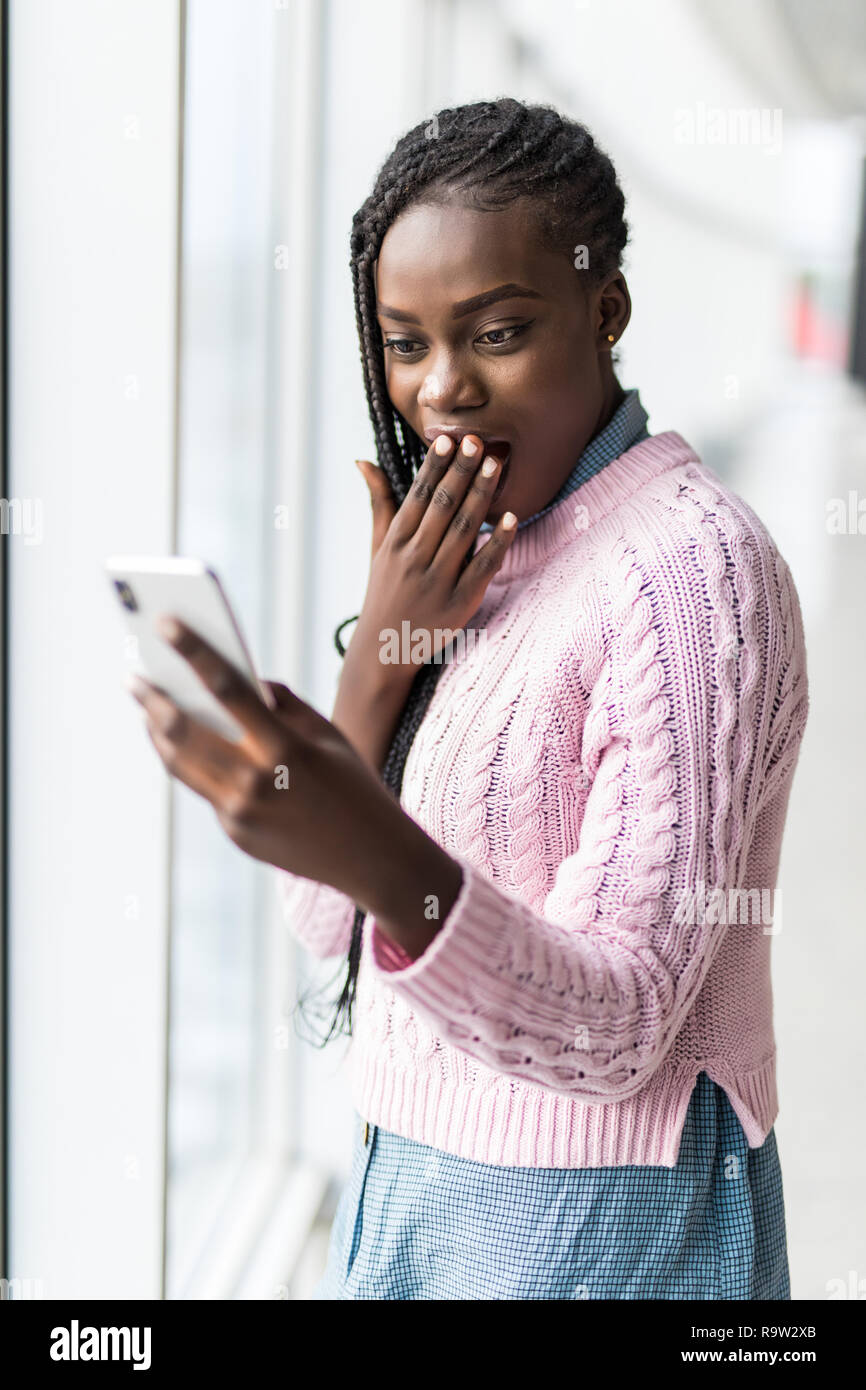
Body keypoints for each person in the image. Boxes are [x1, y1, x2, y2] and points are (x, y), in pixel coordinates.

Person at [129, 98, 809, 1300]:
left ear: (605, 311)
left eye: (495, 332)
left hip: (603, 1221)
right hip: (410, 1186)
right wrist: (379, 659)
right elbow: (325, 924)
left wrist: (376, 849)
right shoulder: (481, 556)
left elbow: (621, 1024)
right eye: (402, 344)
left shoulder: (694, 572)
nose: (441, 388)